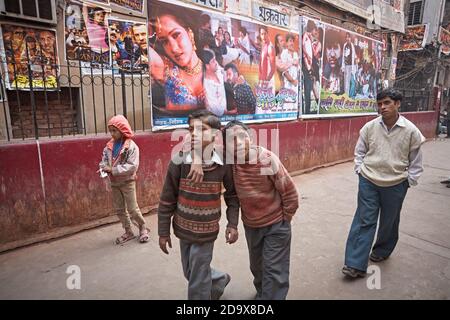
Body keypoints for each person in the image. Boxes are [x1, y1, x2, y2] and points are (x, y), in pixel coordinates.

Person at [342, 89, 426, 278]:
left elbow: (416, 161)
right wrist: (360, 170)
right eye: (379, 104)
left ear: (398, 104)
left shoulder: (411, 131)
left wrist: (408, 181)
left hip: (396, 183)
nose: (382, 107)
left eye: (387, 103)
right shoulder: (369, 127)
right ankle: (354, 264)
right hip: (369, 180)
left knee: (389, 221)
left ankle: (382, 250)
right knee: (365, 220)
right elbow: (360, 152)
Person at [158, 110, 240, 300]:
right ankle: (219, 279)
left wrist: (232, 224)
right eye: (190, 129)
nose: (193, 133)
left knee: (197, 278)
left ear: (215, 133)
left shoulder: (223, 163)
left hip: (206, 232)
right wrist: (163, 232)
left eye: (201, 129)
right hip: (183, 228)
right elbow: (167, 198)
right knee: (190, 272)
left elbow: (232, 196)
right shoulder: (179, 160)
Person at [98, 115, 149, 245]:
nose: (112, 134)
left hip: (127, 182)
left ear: (123, 130)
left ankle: (142, 227)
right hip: (114, 183)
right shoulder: (108, 146)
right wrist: (103, 167)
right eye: (110, 131)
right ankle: (128, 231)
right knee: (120, 209)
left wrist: (113, 170)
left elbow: (132, 166)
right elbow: (104, 160)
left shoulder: (131, 147)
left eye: (115, 130)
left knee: (132, 208)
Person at [149, 12, 205, 111]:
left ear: (190, 33)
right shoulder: (165, 72)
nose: (173, 48)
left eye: (176, 35)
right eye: (165, 41)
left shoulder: (215, 71)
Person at [200, 49, 227, 117]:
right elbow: (214, 110)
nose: (216, 63)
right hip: (214, 120)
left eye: (215, 59)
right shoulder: (206, 84)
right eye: (213, 61)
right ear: (207, 66)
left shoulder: (219, 71)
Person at [280, 34, 299, 110]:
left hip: (295, 84)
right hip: (288, 84)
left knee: (295, 107)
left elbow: (297, 66)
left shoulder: (295, 54)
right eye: (290, 41)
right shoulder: (284, 53)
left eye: (293, 41)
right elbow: (284, 71)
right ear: (286, 43)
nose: (292, 43)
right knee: (288, 107)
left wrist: (296, 81)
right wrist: (292, 80)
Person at [322, 29, 343, 95]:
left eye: (336, 48)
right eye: (329, 47)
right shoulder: (324, 71)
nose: (332, 54)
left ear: (342, 51)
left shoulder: (345, 72)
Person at [258, 26, 276, 91]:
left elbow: (273, 69)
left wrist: (266, 82)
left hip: (268, 81)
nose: (263, 36)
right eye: (262, 34)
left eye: (265, 33)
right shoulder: (263, 45)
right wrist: (260, 81)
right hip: (262, 80)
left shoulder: (270, 47)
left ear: (267, 34)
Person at [342, 32, 356, 97]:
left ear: (350, 38)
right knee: (346, 82)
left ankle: (349, 95)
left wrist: (353, 68)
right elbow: (343, 56)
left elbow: (353, 57)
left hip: (351, 66)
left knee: (352, 81)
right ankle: (346, 95)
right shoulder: (345, 45)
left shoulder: (352, 45)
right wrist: (343, 66)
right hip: (346, 65)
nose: (347, 38)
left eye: (348, 37)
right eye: (346, 37)